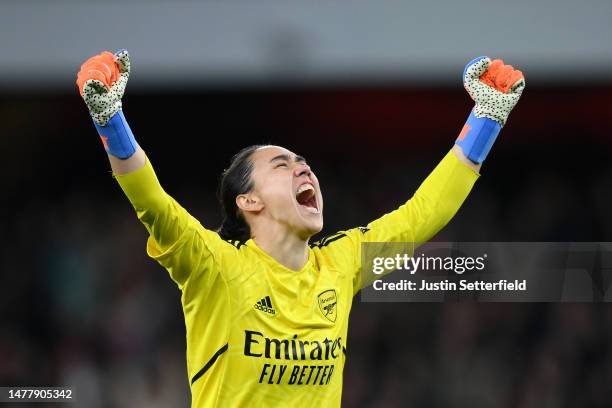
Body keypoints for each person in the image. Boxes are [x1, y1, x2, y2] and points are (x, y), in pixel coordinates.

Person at [76, 49, 524, 407]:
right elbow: (152, 202)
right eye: (282, 164)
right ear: (248, 201)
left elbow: (424, 213)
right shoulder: (215, 268)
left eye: (304, 163)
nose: (303, 169)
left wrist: (487, 117)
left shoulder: (340, 263)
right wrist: (108, 117)